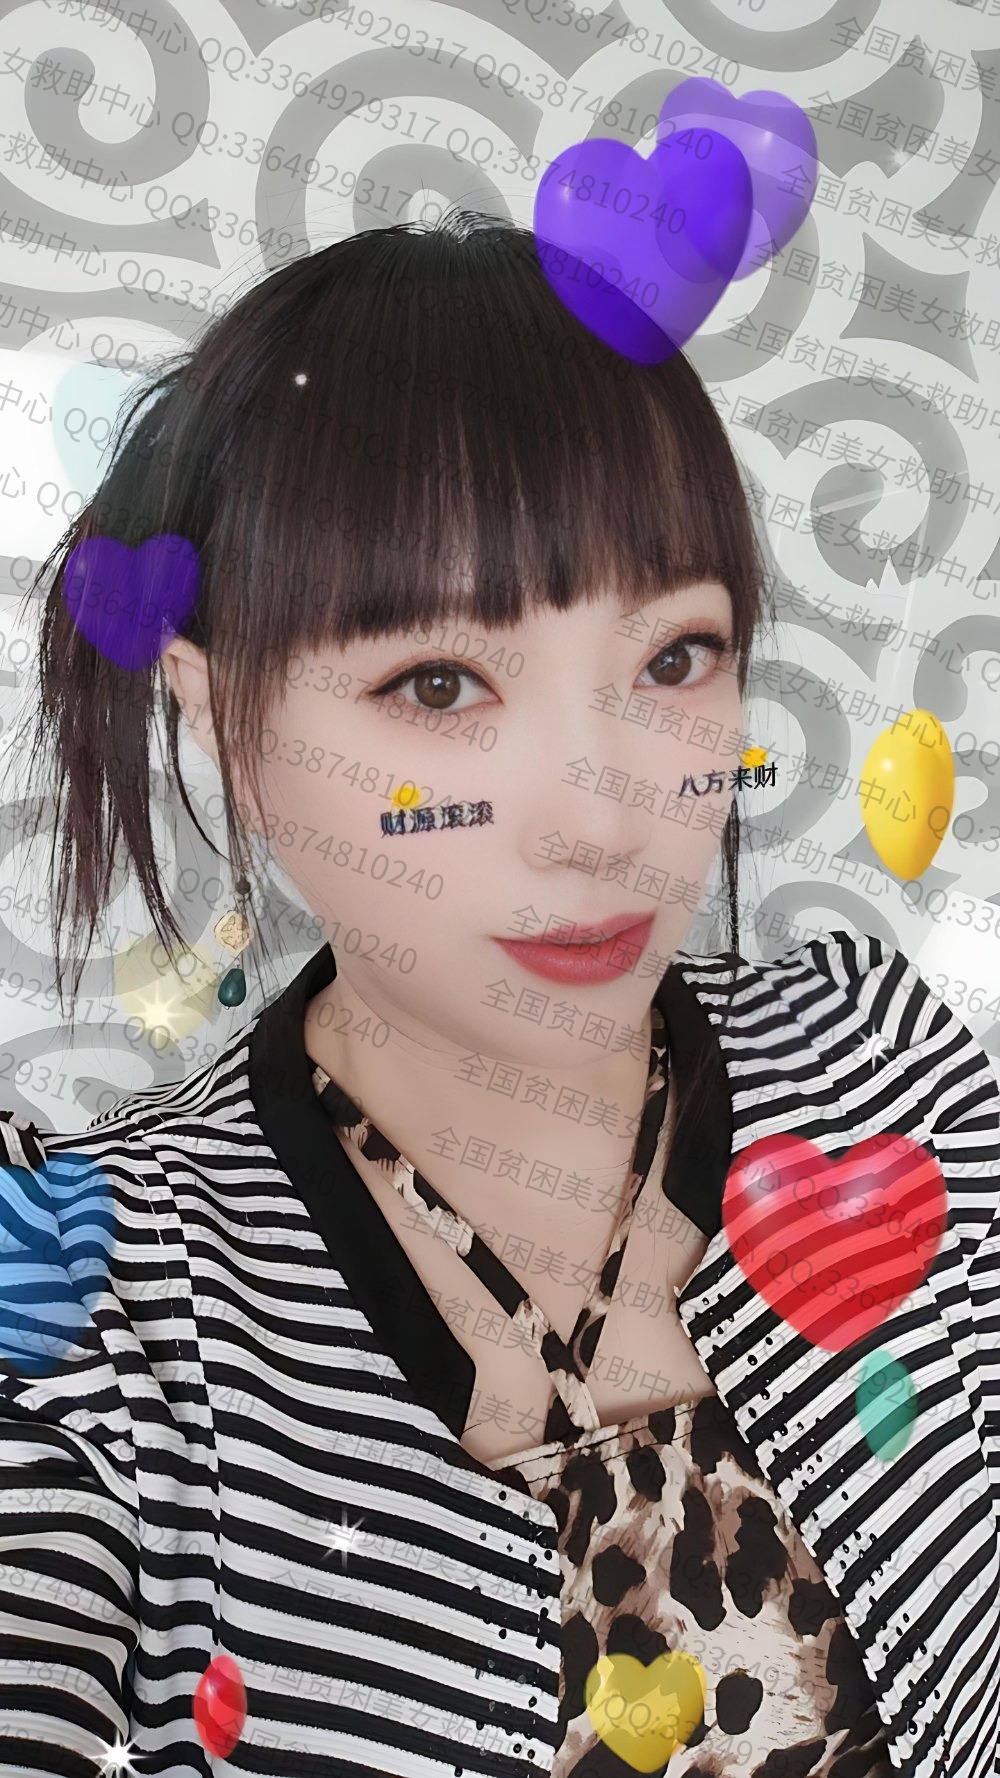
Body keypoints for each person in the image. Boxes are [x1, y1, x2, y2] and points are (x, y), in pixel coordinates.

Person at [0, 211, 997, 1778]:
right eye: (438, 683)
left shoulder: (886, 1064)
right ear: (219, 711)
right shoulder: (94, 1311)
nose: (600, 821)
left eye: (673, 658)